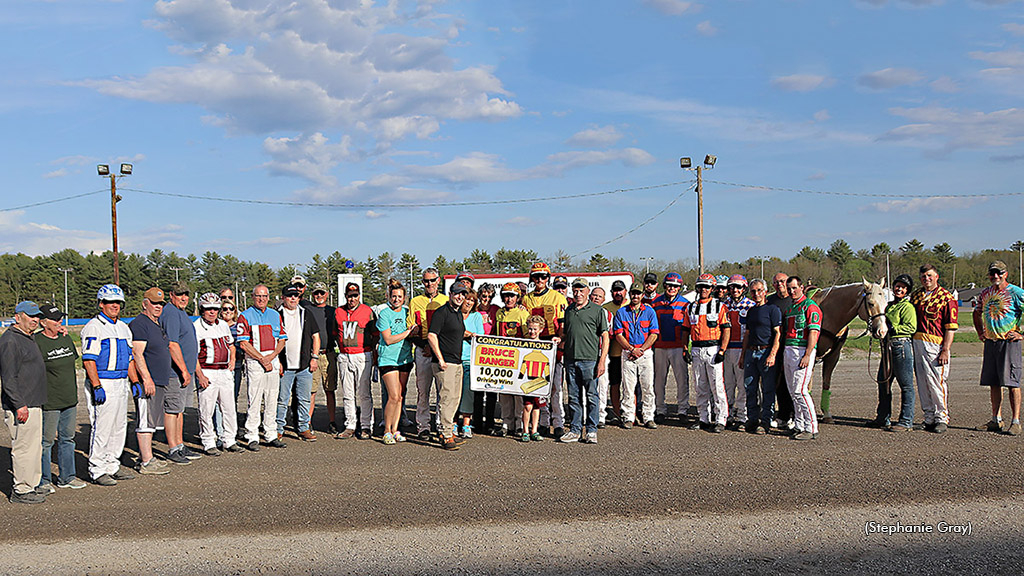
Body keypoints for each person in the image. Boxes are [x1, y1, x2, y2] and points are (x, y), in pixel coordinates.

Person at [81, 284, 137, 485]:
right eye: (110, 302)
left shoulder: (123, 327)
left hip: (121, 381)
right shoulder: (94, 327)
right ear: (101, 304)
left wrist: (135, 380)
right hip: (104, 381)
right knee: (102, 426)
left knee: (119, 426)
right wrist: (96, 386)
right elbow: (89, 360)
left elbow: (130, 358)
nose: (114, 306)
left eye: (118, 302)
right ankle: (97, 469)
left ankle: (112, 465)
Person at [35, 304, 87, 490]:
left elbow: (71, 363)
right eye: (55, 319)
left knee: (67, 439)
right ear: (43, 322)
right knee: (45, 442)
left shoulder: (65, 338)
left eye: (60, 318)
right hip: (49, 401)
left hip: (69, 399)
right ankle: (44, 480)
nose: (59, 321)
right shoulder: (37, 341)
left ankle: (67, 477)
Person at [1, 301, 48, 503]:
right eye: (31, 316)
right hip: (22, 406)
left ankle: (31, 484)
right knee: (24, 448)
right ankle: (21, 490)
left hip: (34, 403)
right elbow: (9, 378)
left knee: (33, 448)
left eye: (37, 316)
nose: (35, 320)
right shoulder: (10, 341)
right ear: (18, 317)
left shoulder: (28, 337)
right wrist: (19, 404)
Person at [973, 260, 1024, 436]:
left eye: (999, 273)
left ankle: (1016, 421)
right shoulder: (985, 293)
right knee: (994, 383)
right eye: (992, 273)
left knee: (1012, 382)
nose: (995, 276)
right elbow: (977, 312)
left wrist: (1021, 334)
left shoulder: (1016, 292)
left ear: (1005, 274)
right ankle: (996, 419)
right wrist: (980, 331)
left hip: (1009, 343)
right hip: (991, 342)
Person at [128, 288, 176, 472]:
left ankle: (146, 456)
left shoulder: (155, 324)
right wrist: (146, 379)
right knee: (145, 421)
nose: (158, 307)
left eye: (160, 304)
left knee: (152, 421)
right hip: (149, 382)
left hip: (159, 380)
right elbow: (137, 353)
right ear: (144, 303)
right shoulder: (140, 324)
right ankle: (147, 462)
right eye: (154, 303)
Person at [236, 284, 287, 450]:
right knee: (255, 399)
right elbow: (243, 343)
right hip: (255, 361)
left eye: (264, 296)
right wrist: (261, 358)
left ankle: (271, 434)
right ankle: (252, 435)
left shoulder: (275, 315)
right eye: (258, 296)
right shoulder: (245, 316)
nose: (261, 299)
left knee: (272, 398)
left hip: (271, 358)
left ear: (269, 297)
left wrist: (271, 357)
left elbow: (282, 340)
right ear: (253, 296)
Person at [865, 274, 917, 432]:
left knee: (906, 385)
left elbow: (911, 327)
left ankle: (906, 421)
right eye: (897, 286)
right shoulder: (889, 306)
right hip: (888, 347)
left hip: (901, 346)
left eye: (902, 287)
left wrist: (895, 329)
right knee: (883, 382)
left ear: (907, 290)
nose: (899, 289)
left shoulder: (907, 307)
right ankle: (883, 417)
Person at [910, 264, 958, 434]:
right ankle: (929, 417)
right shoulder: (916, 296)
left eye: (929, 276)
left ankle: (942, 417)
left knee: (937, 382)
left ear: (937, 276)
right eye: (923, 276)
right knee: (922, 382)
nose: (926, 279)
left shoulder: (946, 298)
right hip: (917, 342)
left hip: (936, 344)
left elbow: (950, 327)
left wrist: (945, 349)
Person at [560, 278, 609, 444]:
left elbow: (605, 337)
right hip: (571, 360)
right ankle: (575, 429)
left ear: (588, 291)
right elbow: (566, 334)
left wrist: (601, 361)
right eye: (575, 290)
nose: (578, 293)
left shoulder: (597, 311)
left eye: (581, 290)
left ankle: (591, 430)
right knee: (573, 397)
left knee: (592, 396)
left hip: (590, 360)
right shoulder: (569, 310)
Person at [522, 262, 567, 438]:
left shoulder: (558, 297)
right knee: (537, 387)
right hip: (534, 346)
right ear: (531, 278)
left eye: (543, 276)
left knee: (555, 387)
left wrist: (561, 339)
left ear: (548, 278)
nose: (540, 280)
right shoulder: (526, 299)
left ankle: (558, 422)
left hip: (552, 345)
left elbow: (562, 325)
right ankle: (542, 423)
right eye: (536, 276)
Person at [681, 274, 730, 433]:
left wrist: (722, 350)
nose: (703, 289)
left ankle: (721, 419)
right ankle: (704, 418)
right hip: (696, 349)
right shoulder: (690, 307)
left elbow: (726, 329)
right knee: (700, 385)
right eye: (701, 286)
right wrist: (684, 348)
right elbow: (685, 330)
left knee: (717, 386)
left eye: (707, 287)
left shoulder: (720, 306)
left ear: (712, 289)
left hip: (713, 349)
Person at [194, 293, 242, 453]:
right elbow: (192, 353)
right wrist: (200, 375)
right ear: (202, 309)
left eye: (215, 308)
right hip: (208, 371)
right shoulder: (197, 327)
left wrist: (233, 359)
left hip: (225, 372)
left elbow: (231, 345)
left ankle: (229, 439)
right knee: (206, 409)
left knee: (229, 408)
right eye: (208, 309)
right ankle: (208, 441)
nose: (212, 312)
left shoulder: (222, 325)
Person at [160, 281, 202, 462]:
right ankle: (173, 448)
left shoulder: (181, 313)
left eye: (186, 294)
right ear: (171, 295)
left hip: (186, 371)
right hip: (174, 372)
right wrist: (183, 370)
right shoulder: (170, 313)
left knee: (179, 410)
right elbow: (172, 344)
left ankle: (180, 445)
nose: (184, 298)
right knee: (172, 410)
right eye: (179, 294)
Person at [427, 282, 469, 450]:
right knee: (446, 399)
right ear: (450, 294)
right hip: (445, 364)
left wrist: (471, 335)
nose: (460, 297)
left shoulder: (458, 313)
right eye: (457, 293)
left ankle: (448, 431)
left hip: (457, 362)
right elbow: (431, 335)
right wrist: (440, 359)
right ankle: (445, 435)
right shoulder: (441, 312)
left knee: (454, 400)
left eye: (463, 294)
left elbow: (455, 332)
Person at [334, 282, 378, 439]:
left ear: (359, 296)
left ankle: (366, 425)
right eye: (349, 296)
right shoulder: (338, 311)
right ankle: (350, 425)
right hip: (344, 355)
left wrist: (372, 352)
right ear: (345, 296)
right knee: (347, 393)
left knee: (364, 392)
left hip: (362, 355)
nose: (352, 299)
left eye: (355, 296)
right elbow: (334, 332)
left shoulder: (367, 311)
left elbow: (375, 334)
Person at [409, 268, 449, 439]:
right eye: (426, 281)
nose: (429, 284)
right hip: (422, 351)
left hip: (441, 350)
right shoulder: (415, 301)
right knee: (423, 391)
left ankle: (442, 425)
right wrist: (424, 345)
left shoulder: (446, 300)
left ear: (438, 281)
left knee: (443, 391)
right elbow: (411, 329)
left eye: (432, 280)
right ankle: (423, 426)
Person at [614, 282, 660, 429]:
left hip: (645, 353)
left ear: (642, 295)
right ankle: (628, 416)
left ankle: (648, 416)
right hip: (628, 352)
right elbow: (618, 335)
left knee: (648, 386)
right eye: (633, 293)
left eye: (638, 293)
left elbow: (654, 334)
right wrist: (631, 349)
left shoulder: (650, 311)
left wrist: (641, 350)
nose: (635, 296)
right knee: (628, 387)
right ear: (630, 294)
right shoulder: (621, 312)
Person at [276, 285, 319, 442]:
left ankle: (303, 428)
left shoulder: (306, 313)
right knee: (282, 399)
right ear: (283, 298)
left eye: (296, 295)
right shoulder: (277, 315)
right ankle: (278, 428)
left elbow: (316, 337)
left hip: (304, 366)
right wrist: (278, 361)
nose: (293, 298)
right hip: (285, 366)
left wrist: (314, 358)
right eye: (289, 296)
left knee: (304, 398)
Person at [783, 276, 821, 441]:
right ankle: (799, 425)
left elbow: (814, 332)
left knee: (801, 391)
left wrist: (807, 354)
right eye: (789, 289)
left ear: (802, 287)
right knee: (793, 391)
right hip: (789, 349)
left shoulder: (811, 307)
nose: (792, 291)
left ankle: (811, 427)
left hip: (802, 350)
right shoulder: (791, 308)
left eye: (794, 288)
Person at [377, 279, 416, 445]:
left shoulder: (408, 312)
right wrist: (408, 333)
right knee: (392, 396)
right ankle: (386, 430)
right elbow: (388, 339)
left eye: (400, 296)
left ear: (404, 297)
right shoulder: (384, 314)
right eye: (394, 296)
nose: (396, 299)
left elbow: (416, 329)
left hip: (405, 358)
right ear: (388, 296)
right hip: (388, 359)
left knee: (400, 396)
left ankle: (395, 429)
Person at [741, 279, 782, 435]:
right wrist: (743, 355)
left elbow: (777, 333)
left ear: (765, 291)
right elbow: (748, 334)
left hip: (766, 352)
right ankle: (752, 418)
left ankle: (765, 421)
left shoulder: (773, 310)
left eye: (759, 290)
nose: (756, 294)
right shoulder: (751, 311)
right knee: (750, 387)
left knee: (768, 389)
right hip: (751, 352)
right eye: (753, 291)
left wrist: (772, 354)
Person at [651, 272, 690, 423]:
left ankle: (682, 410)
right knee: (659, 381)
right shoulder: (656, 303)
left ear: (679, 287)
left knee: (682, 380)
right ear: (664, 285)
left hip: (678, 347)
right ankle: (660, 409)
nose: (672, 288)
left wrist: (686, 347)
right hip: (660, 347)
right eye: (669, 285)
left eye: (675, 286)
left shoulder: (685, 304)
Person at [494, 282, 529, 436]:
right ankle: (506, 423)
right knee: (504, 393)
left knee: (518, 393)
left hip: (519, 358)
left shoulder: (523, 313)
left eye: (512, 296)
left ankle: (520, 423)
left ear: (517, 297)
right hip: (503, 359)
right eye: (506, 296)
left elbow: (527, 336)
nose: (509, 299)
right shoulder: (499, 313)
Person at [723, 274, 755, 429]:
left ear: (744, 288)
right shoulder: (723, 305)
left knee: (742, 385)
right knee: (727, 384)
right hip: (726, 349)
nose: (735, 290)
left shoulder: (751, 305)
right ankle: (727, 414)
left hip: (742, 349)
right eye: (732, 287)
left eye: (738, 287)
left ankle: (743, 416)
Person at [307, 282, 339, 433]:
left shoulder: (333, 311)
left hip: (329, 354)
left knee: (330, 390)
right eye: (316, 293)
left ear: (327, 294)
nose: (319, 296)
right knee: (311, 391)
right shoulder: (307, 310)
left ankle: (332, 421)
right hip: (313, 355)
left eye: (321, 293)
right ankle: (307, 422)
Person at [766, 272, 795, 430]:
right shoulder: (770, 301)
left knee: (793, 383)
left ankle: (795, 415)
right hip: (774, 347)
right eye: (776, 282)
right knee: (778, 382)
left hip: (792, 346)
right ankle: (783, 415)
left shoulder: (794, 300)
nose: (780, 284)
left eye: (782, 281)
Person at [457, 290, 485, 438]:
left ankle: (466, 424)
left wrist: (465, 334)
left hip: (470, 359)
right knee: (454, 394)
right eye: (467, 299)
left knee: (468, 393)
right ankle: (453, 423)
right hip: (454, 358)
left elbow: (480, 336)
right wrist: (467, 334)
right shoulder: (454, 314)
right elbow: (451, 333)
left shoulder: (477, 317)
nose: (468, 302)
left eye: (472, 300)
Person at [473, 282, 499, 433]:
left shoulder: (496, 310)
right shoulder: (474, 311)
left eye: (489, 297)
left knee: (491, 391)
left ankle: (489, 422)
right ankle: (477, 422)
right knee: (477, 391)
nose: (486, 299)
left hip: (493, 353)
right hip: (477, 353)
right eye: (484, 296)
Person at [519, 315, 549, 443]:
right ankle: (525, 430)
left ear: (541, 330)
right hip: (527, 380)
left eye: (535, 329)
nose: (532, 332)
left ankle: (534, 430)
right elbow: (523, 364)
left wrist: (547, 378)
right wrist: (520, 377)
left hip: (540, 381)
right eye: (530, 329)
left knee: (537, 407)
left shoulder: (545, 347)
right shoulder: (523, 345)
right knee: (527, 406)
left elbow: (547, 365)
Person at [603, 280, 628, 424]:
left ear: (625, 291)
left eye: (621, 290)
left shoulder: (631, 305)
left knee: (631, 385)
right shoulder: (606, 308)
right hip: (613, 353)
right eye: (615, 290)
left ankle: (630, 412)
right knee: (615, 384)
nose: (618, 293)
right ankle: (617, 411)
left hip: (630, 352)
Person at [590, 287, 614, 428]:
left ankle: (600, 415)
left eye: (600, 296)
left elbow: (608, 336)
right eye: (594, 295)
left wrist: (603, 359)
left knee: (602, 385)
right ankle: (587, 414)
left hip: (601, 352)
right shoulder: (582, 311)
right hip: (586, 353)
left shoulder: (607, 314)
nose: (596, 298)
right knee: (585, 386)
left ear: (604, 299)